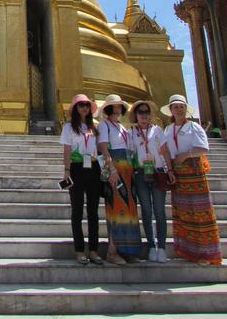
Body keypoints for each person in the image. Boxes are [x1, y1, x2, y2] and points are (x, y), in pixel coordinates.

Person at [162, 94, 222, 266]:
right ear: (171, 110)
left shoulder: (193, 126)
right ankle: (187, 250)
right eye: (175, 107)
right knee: (183, 212)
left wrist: (186, 155)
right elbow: (166, 150)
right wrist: (170, 169)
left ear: (185, 109)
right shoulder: (169, 129)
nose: (179, 110)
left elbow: (203, 148)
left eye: (181, 106)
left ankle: (205, 253)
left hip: (193, 171)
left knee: (200, 211)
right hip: (178, 173)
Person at [129, 100, 175, 263]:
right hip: (141, 173)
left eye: (146, 112)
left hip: (157, 172)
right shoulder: (131, 132)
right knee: (147, 212)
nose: (144, 115)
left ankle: (161, 247)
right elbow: (130, 154)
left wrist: (169, 169)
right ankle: (151, 246)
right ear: (135, 114)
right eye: (140, 112)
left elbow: (165, 151)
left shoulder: (157, 130)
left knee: (160, 212)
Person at [98, 94, 141, 265]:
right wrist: (112, 170)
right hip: (115, 169)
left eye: (119, 106)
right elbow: (103, 148)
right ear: (108, 108)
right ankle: (112, 251)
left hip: (128, 169)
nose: (117, 109)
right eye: (113, 106)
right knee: (116, 209)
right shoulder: (104, 125)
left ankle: (128, 250)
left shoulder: (122, 127)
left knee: (129, 209)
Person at [60, 94, 103, 265]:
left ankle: (93, 250)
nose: (84, 108)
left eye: (86, 105)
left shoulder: (95, 127)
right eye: (80, 105)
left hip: (93, 168)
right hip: (77, 169)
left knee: (93, 212)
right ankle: (79, 250)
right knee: (77, 211)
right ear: (75, 109)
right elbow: (67, 150)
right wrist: (66, 170)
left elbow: (99, 148)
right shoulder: (69, 127)